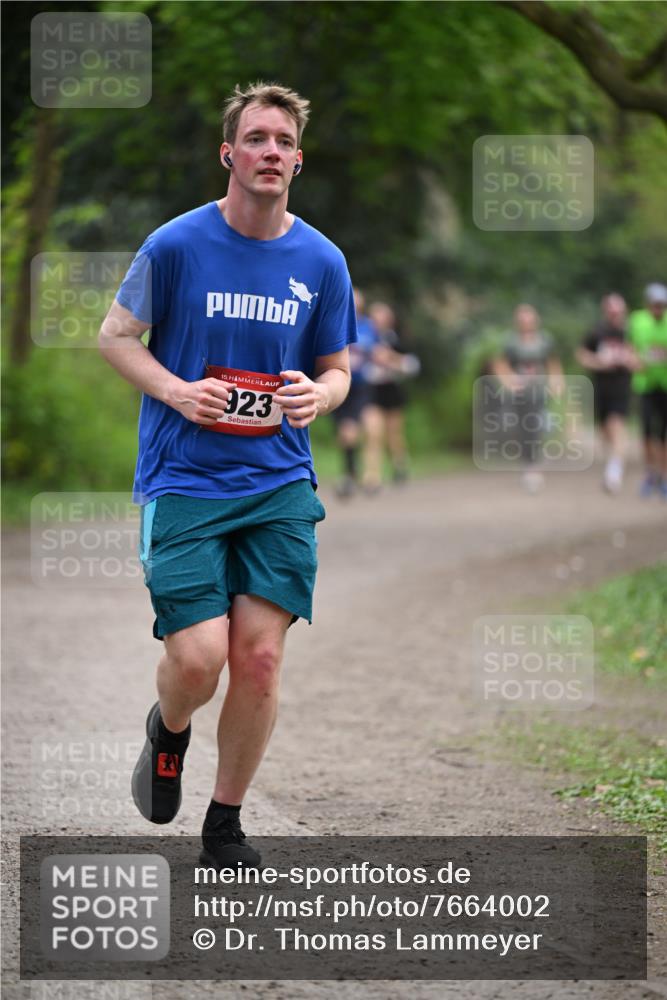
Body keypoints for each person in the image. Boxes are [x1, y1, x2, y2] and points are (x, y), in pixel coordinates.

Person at [98, 82, 356, 869]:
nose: (270, 152)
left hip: (278, 481)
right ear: (229, 154)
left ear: (297, 160)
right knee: (199, 659)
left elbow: (338, 366)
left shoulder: (321, 259)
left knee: (261, 657)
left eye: (283, 141)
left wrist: (322, 393)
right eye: (256, 139)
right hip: (184, 480)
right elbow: (115, 336)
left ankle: (225, 823)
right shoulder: (175, 246)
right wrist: (176, 391)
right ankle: (167, 730)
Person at [491, 304, 564, 493]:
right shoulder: (511, 341)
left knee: (537, 426)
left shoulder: (545, 340)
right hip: (519, 393)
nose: (526, 323)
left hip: (539, 391)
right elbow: (500, 364)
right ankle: (529, 464)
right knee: (523, 429)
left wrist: (557, 381)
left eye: (529, 319)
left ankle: (533, 465)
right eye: (522, 319)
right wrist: (509, 382)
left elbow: (552, 363)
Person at [576, 294, 638, 494]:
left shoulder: (631, 332)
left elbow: (640, 357)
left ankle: (614, 473)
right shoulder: (597, 332)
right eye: (611, 312)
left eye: (618, 312)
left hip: (621, 387)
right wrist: (598, 362)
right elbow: (582, 355)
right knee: (605, 431)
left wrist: (630, 360)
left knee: (616, 425)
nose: (615, 316)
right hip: (601, 387)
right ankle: (612, 464)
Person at [362, 301, 419, 491]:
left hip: (392, 391)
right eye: (375, 317)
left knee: (394, 434)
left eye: (382, 317)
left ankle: (400, 465)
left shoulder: (397, 340)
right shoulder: (363, 339)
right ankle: (372, 476)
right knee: (373, 434)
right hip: (371, 391)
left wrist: (391, 359)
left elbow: (412, 366)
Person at [331, 287, 377, 497]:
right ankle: (352, 474)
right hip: (341, 385)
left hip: (361, 386)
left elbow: (378, 351)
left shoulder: (368, 327)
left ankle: (368, 476)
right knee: (346, 433)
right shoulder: (336, 322)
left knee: (367, 428)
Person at [629, 283, 667, 498]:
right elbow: (630, 346)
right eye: (655, 305)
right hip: (644, 384)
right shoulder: (637, 320)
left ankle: (663, 475)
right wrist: (633, 358)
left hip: (665, 384)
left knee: (663, 435)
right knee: (645, 432)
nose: (658, 310)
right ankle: (649, 474)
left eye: (662, 305)